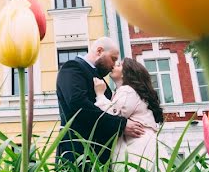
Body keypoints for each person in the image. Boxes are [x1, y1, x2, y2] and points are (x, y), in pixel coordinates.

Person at [56, 37, 146, 165]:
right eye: (113, 59)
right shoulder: (72, 68)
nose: (113, 65)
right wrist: (121, 125)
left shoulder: (98, 77)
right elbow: (78, 106)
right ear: (99, 51)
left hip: (97, 157)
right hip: (79, 155)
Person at [95, 57, 167, 172]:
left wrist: (100, 95)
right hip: (143, 141)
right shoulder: (128, 92)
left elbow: (113, 115)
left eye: (119, 65)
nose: (114, 66)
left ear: (126, 73)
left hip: (137, 144)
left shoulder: (127, 91)